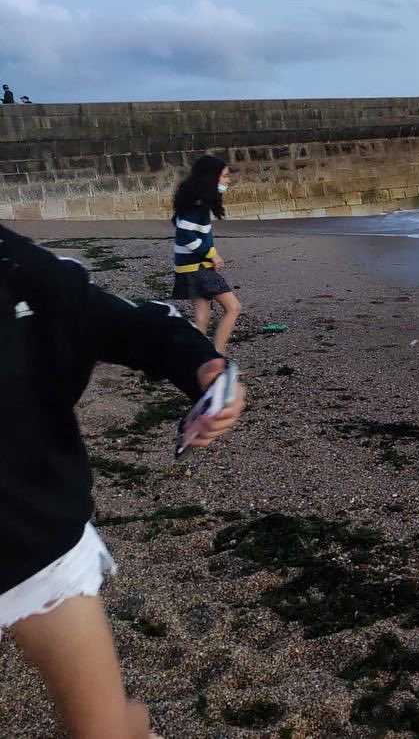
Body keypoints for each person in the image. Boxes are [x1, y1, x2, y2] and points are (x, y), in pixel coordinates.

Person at [0, 224, 246, 739]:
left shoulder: (19, 269)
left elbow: (126, 320)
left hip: (30, 541)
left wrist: (204, 368)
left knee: (107, 729)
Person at [171, 155, 241, 353]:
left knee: (203, 317)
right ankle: (217, 357)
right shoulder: (198, 204)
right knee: (233, 308)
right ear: (212, 177)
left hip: (188, 268)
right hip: (197, 267)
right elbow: (184, 233)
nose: (228, 180)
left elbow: (178, 223)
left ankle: (196, 361)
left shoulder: (194, 201)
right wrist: (212, 254)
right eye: (225, 176)